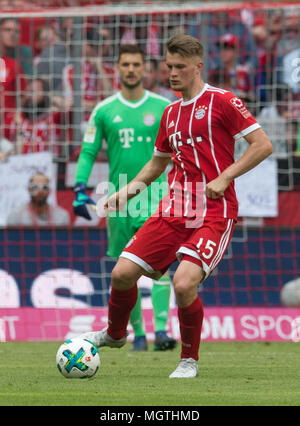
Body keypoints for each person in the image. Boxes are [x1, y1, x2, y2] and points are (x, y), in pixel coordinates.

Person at [78, 34, 273, 378]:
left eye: (180, 67)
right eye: (169, 66)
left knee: (183, 283)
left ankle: (188, 360)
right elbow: (156, 165)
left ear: (198, 67)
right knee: (121, 273)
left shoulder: (223, 101)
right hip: (175, 209)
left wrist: (225, 177)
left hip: (214, 210)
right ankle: (115, 333)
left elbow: (262, 145)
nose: (172, 73)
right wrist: (125, 194)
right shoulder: (169, 114)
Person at [73, 44, 177, 352]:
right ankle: (139, 336)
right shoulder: (104, 110)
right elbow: (89, 150)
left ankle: (161, 332)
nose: (131, 69)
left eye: (136, 64)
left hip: (156, 192)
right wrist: (80, 187)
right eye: (125, 64)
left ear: (145, 69)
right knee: (124, 269)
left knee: (160, 266)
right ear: (117, 69)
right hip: (119, 196)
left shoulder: (163, 107)